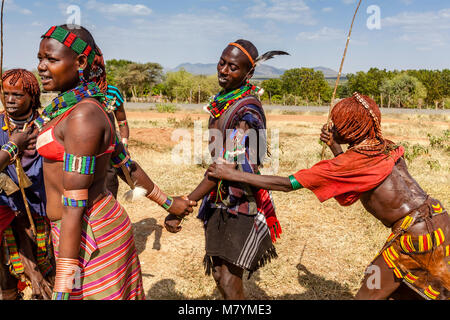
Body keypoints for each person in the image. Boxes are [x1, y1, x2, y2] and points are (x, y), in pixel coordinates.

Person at [207, 92, 449, 300]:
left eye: (337, 123)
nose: (332, 126)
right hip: (441, 223)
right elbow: (357, 176)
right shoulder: (387, 146)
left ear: (349, 128)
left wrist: (233, 174)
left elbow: (287, 184)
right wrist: (336, 146)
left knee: (371, 290)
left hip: (415, 237)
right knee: (407, 291)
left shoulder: (350, 163)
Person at [36, 24, 195, 300]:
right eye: (40, 58)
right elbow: (126, 166)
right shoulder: (74, 107)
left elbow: (74, 204)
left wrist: (62, 288)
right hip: (82, 231)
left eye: (51, 59)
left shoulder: (82, 117)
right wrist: (169, 203)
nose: (41, 66)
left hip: (89, 236)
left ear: (81, 62)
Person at [165, 40, 285, 300]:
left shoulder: (246, 112)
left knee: (229, 280)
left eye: (233, 67)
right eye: (222, 62)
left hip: (240, 199)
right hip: (219, 198)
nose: (224, 70)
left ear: (248, 74)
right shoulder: (224, 102)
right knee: (220, 273)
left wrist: (186, 202)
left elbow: (225, 166)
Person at [0, 69, 54, 300]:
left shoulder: (48, 125)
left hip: (40, 209)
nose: (10, 100)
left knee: (47, 268)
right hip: (5, 207)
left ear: (33, 96)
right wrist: (14, 145)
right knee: (6, 273)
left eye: (18, 95)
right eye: (5, 93)